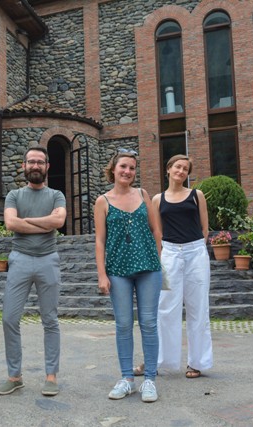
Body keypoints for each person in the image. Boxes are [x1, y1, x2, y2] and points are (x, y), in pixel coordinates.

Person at [0, 145, 66, 397]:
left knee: (50, 320)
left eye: (40, 162)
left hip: (48, 260)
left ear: (47, 167)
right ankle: (14, 377)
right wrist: (45, 223)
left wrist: (25, 222)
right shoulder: (14, 195)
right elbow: (10, 223)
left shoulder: (56, 195)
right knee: (9, 318)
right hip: (20, 259)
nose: (35, 165)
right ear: (23, 166)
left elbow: (59, 221)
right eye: (31, 162)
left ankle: (51, 376)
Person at [94, 149, 162, 403]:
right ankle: (127, 379)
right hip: (118, 270)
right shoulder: (103, 201)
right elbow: (100, 241)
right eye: (123, 166)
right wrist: (102, 274)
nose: (127, 171)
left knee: (149, 323)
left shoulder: (143, 195)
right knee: (123, 324)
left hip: (148, 268)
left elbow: (156, 230)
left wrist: (156, 258)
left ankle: (150, 380)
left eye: (132, 168)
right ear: (113, 169)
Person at [153, 154, 213, 379]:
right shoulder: (158, 199)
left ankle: (197, 363)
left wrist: (197, 249)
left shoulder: (197, 195)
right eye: (177, 167)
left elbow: (205, 228)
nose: (181, 171)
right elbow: (157, 232)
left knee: (198, 308)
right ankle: (163, 360)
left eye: (185, 169)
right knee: (166, 307)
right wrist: (160, 258)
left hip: (195, 253)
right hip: (169, 254)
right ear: (168, 169)